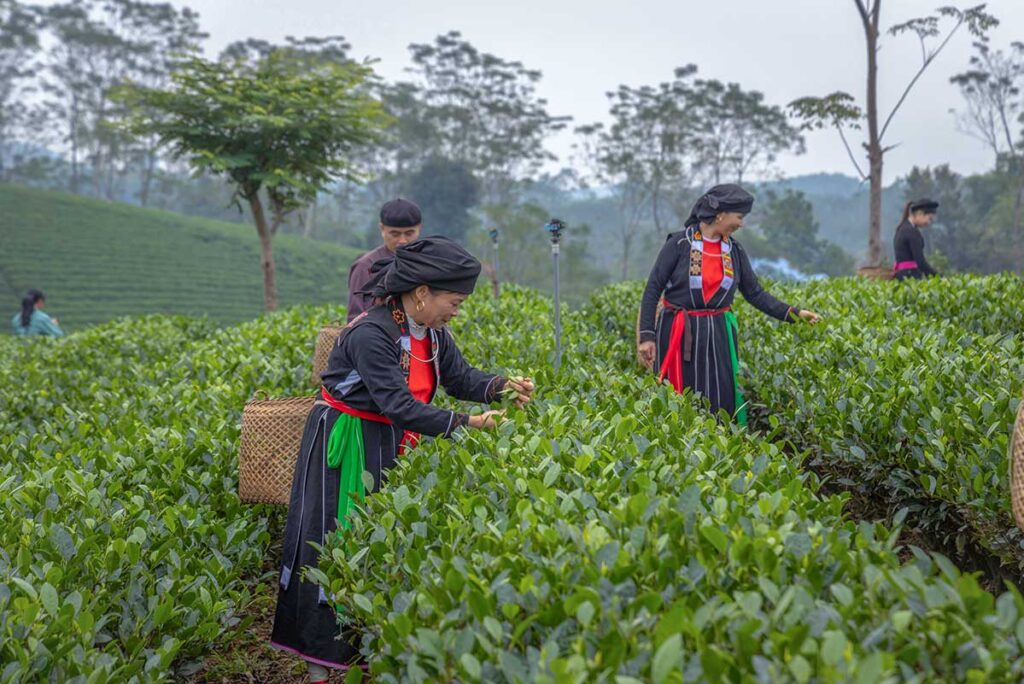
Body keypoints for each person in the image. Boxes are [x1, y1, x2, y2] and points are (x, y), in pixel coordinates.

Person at [272, 236, 535, 681]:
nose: (456, 310)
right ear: (421, 293)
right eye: (454, 301)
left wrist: (503, 386)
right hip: (347, 443)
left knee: (377, 545)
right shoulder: (370, 333)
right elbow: (398, 405)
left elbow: (460, 378)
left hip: (391, 441)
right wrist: (469, 424)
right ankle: (319, 667)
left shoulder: (431, 333)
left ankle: (372, 650)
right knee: (332, 543)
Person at [637, 184, 820, 424]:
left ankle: (721, 453)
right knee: (680, 398)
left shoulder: (734, 250)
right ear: (720, 214)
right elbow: (653, 289)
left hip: (719, 335)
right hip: (679, 333)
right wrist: (647, 336)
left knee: (720, 395)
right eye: (740, 217)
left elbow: (755, 293)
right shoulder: (679, 244)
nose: (741, 224)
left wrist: (794, 314)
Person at [346, 198, 422, 322]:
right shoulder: (366, 266)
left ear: (419, 228)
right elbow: (355, 317)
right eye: (395, 234)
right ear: (382, 229)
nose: (402, 240)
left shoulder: (425, 263)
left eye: (409, 233)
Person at [893, 198, 939, 280]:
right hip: (910, 277)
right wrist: (938, 277)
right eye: (929, 218)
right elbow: (920, 262)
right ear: (920, 214)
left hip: (901, 274)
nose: (929, 222)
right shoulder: (912, 232)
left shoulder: (902, 228)